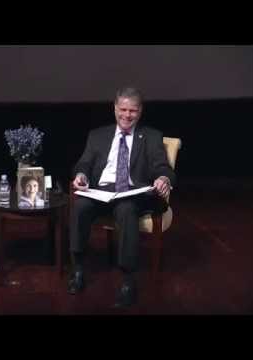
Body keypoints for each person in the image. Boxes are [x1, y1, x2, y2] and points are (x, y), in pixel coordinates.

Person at [68, 86, 175, 307]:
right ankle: (78, 269)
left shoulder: (152, 136)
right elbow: (84, 163)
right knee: (80, 207)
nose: (127, 115)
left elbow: (161, 167)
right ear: (115, 108)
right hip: (102, 191)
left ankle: (128, 280)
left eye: (132, 111)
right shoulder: (97, 135)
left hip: (133, 193)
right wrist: (80, 174)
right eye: (123, 109)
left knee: (126, 209)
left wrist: (163, 179)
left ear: (140, 111)